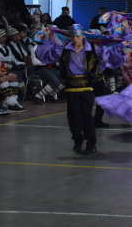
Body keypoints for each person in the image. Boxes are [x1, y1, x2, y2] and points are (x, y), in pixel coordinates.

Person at [36, 25, 103, 155]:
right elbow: (46, 55)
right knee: (74, 117)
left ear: (83, 36)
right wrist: (47, 39)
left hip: (87, 86)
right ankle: (77, 140)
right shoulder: (64, 49)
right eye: (72, 36)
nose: (75, 38)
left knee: (87, 116)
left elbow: (109, 55)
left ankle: (91, 143)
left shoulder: (93, 49)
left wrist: (119, 46)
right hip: (71, 87)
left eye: (78, 36)